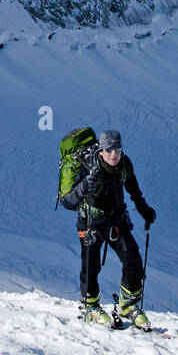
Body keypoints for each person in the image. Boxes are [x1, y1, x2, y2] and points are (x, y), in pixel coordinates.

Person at [60, 128, 156, 327]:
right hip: (90, 223)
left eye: (118, 150)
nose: (115, 155)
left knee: (133, 259)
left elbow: (133, 189)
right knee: (90, 265)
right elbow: (67, 202)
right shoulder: (88, 167)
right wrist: (84, 187)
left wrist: (144, 209)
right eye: (110, 150)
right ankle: (90, 307)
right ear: (101, 151)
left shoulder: (124, 165)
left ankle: (128, 305)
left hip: (116, 221)